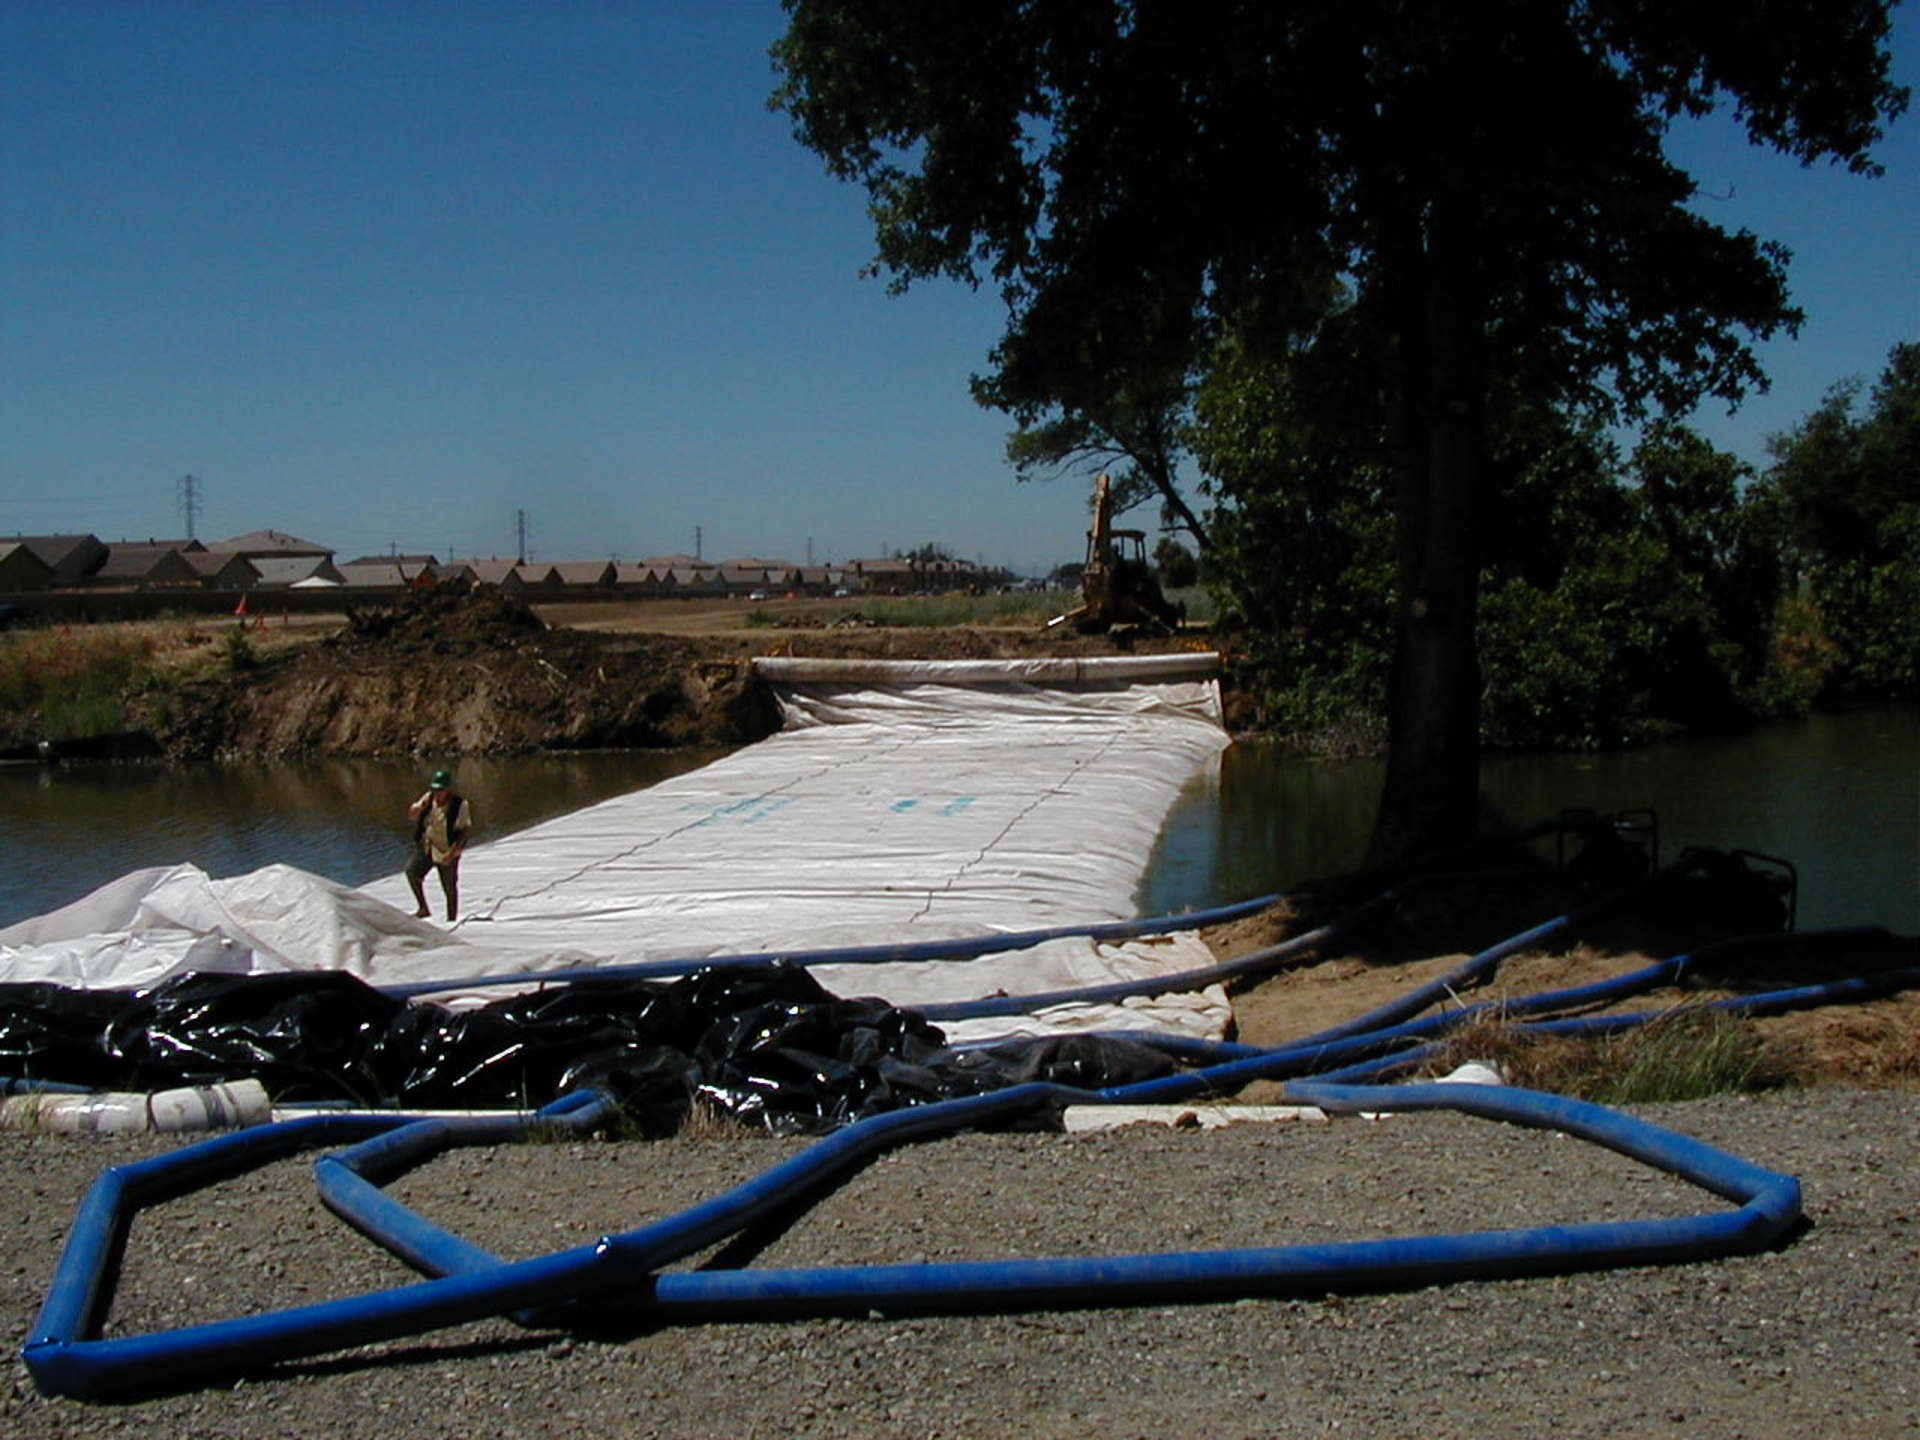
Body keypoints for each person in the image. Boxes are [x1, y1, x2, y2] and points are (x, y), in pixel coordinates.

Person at [406, 768, 473, 921]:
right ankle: (423, 908)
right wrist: (418, 808)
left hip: (446, 849)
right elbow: (411, 815)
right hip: (428, 846)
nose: (437, 792)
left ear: (448, 789)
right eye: (434, 789)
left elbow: (466, 829)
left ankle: (451, 918)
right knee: (412, 872)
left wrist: (455, 850)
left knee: (449, 886)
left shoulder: (459, 804)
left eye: (440, 789)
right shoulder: (428, 799)